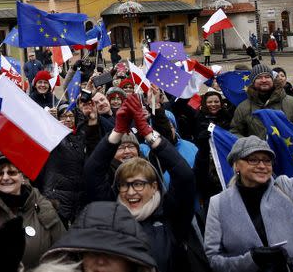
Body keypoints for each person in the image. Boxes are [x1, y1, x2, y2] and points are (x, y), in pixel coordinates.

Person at [85, 95, 206, 272]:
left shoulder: (170, 216)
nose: (131, 192)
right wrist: (117, 131)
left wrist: (148, 133)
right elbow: (91, 172)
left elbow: (185, 176)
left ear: (154, 186)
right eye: (124, 185)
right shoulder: (111, 212)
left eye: (139, 184)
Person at [204, 136, 293, 272]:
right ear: (237, 165)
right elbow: (213, 259)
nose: (262, 166)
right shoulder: (218, 204)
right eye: (253, 160)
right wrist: (251, 259)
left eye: (267, 161)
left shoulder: (286, 188)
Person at [230, 64, 293, 138]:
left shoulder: (292, 103)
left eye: (267, 77)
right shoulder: (243, 107)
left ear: (272, 80)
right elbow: (234, 132)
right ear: (253, 82)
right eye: (259, 77)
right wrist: (250, 145)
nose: (264, 80)